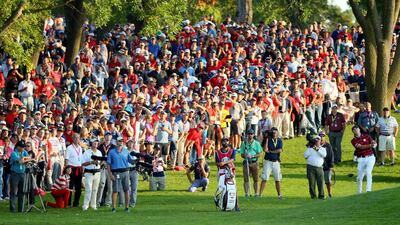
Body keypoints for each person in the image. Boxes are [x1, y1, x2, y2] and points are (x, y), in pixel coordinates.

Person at [107, 136, 132, 213]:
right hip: (116, 172)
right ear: (116, 142)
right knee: (115, 190)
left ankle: (127, 207)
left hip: (125, 172)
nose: (121, 142)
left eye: (122, 141)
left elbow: (131, 161)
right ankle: (114, 208)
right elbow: (108, 164)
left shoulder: (126, 151)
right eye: (119, 141)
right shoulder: (111, 152)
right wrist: (110, 175)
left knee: (126, 190)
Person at [214, 138, 240, 212]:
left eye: (227, 141)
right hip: (221, 171)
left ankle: (236, 205)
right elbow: (216, 162)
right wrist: (219, 164)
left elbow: (232, 159)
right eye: (224, 141)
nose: (225, 142)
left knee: (234, 188)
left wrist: (224, 163)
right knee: (222, 188)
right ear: (221, 142)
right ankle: (222, 204)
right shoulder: (217, 152)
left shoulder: (232, 151)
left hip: (230, 171)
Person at [351, 125, 376, 193]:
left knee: (368, 172)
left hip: (370, 157)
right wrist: (370, 145)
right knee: (359, 178)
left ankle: (368, 190)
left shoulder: (367, 136)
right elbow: (360, 147)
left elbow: (373, 142)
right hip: (361, 159)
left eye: (357, 128)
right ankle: (359, 192)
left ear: (359, 129)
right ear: (353, 131)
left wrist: (374, 143)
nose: (356, 130)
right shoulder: (353, 140)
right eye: (354, 129)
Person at [259, 127, 282, 199]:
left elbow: (280, 150)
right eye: (273, 133)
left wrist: (271, 151)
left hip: (276, 162)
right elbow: (265, 149)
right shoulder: (268, 140)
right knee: (265, 178)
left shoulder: (279, 140)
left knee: (277, 179)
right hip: (268, 161)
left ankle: (279, 195)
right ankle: (260, 194)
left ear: (277, 133)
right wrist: (267, 138)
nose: (274, 134)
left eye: (275, 133)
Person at [9, 140, 32, 212]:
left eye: (24, 147)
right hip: (15, 174)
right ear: (18, 147)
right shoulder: (13, 153)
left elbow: (29, 158)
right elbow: (20, 161)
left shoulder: (24, 152)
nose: (23, 148)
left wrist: (24, 159)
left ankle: (20, 209)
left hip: (22, 173)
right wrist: (24, 159)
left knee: (21, 192)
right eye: (22, 147)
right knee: (13, 192)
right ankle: (13, 209)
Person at [240, 129, 262, 197]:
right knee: (246, 179)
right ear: (247, 135)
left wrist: (253, 156)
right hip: (246, 162)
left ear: (253, 135)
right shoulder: (244, 143)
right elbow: (242, 154)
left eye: (251, 134)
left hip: (254, 162)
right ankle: (246, 193)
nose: (250, 135)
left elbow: (260, 153)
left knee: (256, 179)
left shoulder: (256, 143)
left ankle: (256, 193)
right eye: (249, 134)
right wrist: (245, 155)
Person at [81, 138, 102, 210]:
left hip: (97, 172)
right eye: (94, 142)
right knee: (88, 189)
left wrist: (101, 163)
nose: (96, 143)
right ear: (91, 143)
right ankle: (85, 205)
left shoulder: (99, 152)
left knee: (95, 189)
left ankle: (93, 205)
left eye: (97, 142)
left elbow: (101, 162)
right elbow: (83, 163)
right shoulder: (87, 152)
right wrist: (91, 162)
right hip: (89, 172)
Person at [304, 135, 326, 199]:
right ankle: (313, 196)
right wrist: (309, 148)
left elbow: (324, 155)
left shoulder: (323, 149)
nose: (317, 141)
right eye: (315, 140)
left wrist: (317, 149)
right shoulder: (310, 149)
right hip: (310, 167)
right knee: (311, 182)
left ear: (320, 141)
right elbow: (305, 155)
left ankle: (321, 195)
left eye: (318, 140)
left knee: (321, 182)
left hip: (319, 168)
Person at [65, 133, 83, 207]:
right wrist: (67, 168)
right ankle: (68, 203)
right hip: (71, 168)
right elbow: (66, 159)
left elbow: (81, 159)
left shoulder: (80, 148)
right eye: (75, 137)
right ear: (72, 139)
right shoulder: (69, 148)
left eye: (78, 138)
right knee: (70, 186)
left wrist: (82, 167)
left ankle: (76, 203)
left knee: (78, 187)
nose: (76, 139)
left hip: (79, 168)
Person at [320, 131, 334, 198]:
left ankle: (329, 194)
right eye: (320, 136)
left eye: (323, 136)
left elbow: (331, 156)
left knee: (328, 181)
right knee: (320, 182)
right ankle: (322, 194)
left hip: (327, 167)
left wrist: (331, 166)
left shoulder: (328, 146)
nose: (322, 137)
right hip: (319, 167)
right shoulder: (316, 146)